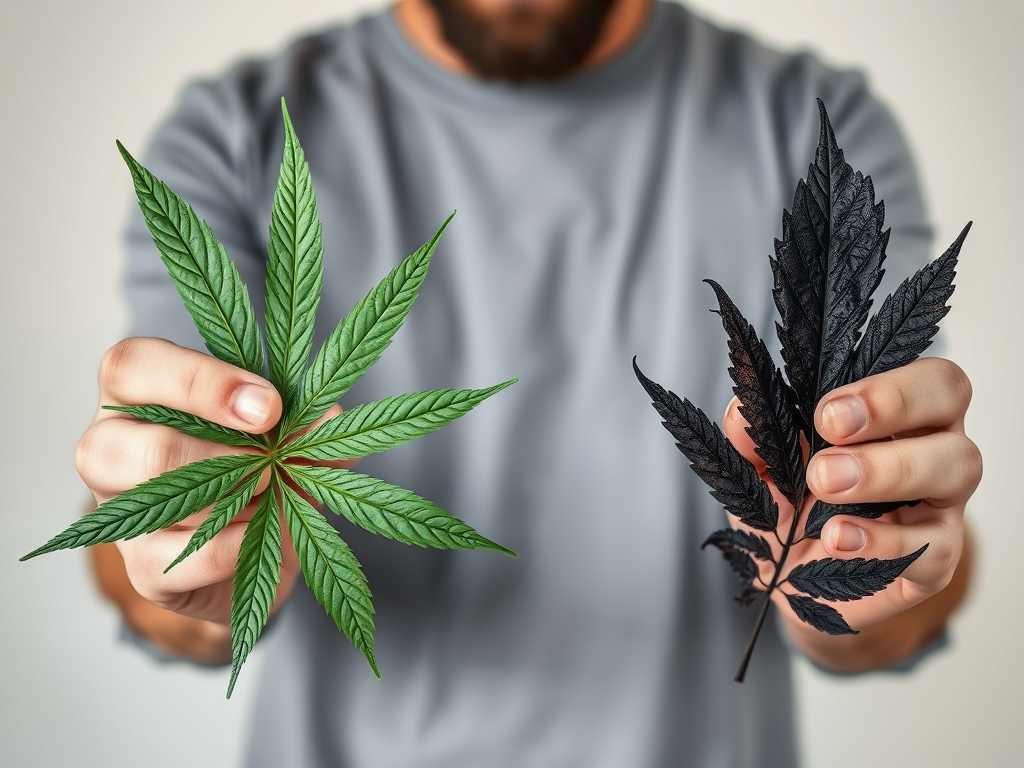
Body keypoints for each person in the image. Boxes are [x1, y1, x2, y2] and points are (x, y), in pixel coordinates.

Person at [80, 0, 978, 765]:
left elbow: (903, 565)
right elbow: (159, 555)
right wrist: (184, 563)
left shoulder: (814, 126)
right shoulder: (238, 134)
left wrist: (872, 572)